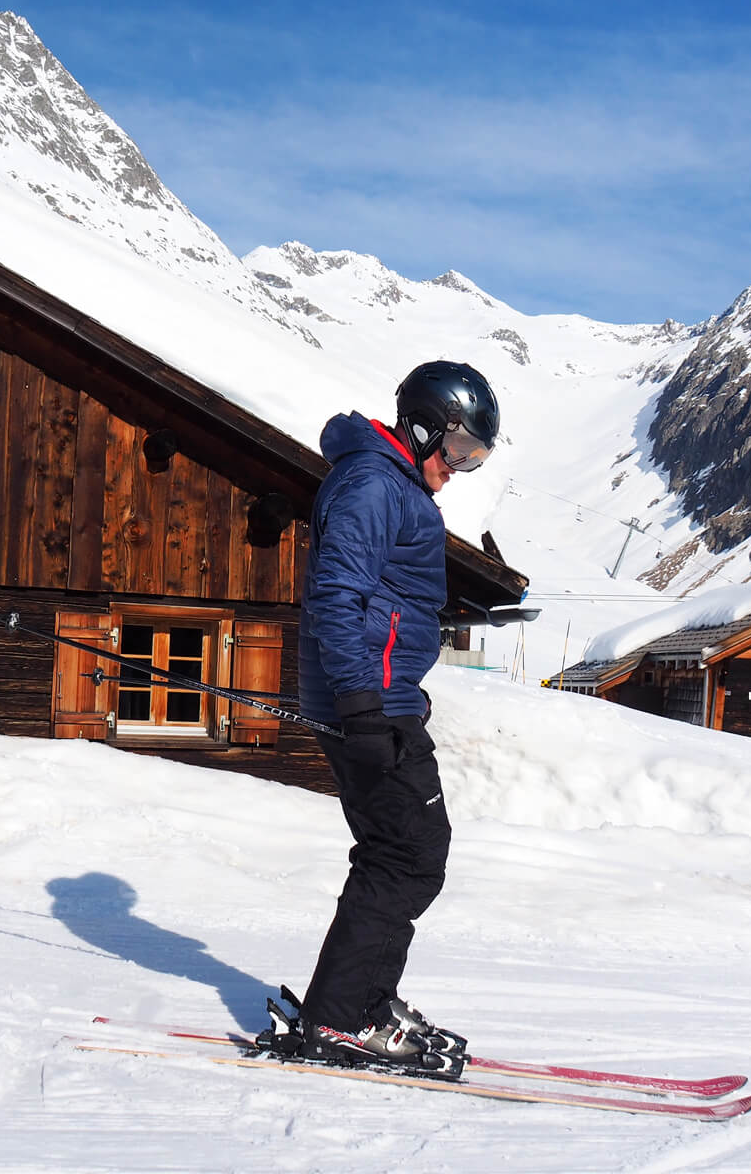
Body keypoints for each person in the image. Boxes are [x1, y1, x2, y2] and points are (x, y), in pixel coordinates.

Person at [292, 359, 500, 1073]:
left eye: (474, 458)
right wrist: (362, 705)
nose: (460, 468)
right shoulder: (377, 484)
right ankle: (343, 1017)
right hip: (369, 705)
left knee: (400, 852)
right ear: (422, 427)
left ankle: (360, 1003)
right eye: (460, 449)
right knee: (409, 855)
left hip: (381, 699)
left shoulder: (390, 481)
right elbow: (338, 593)